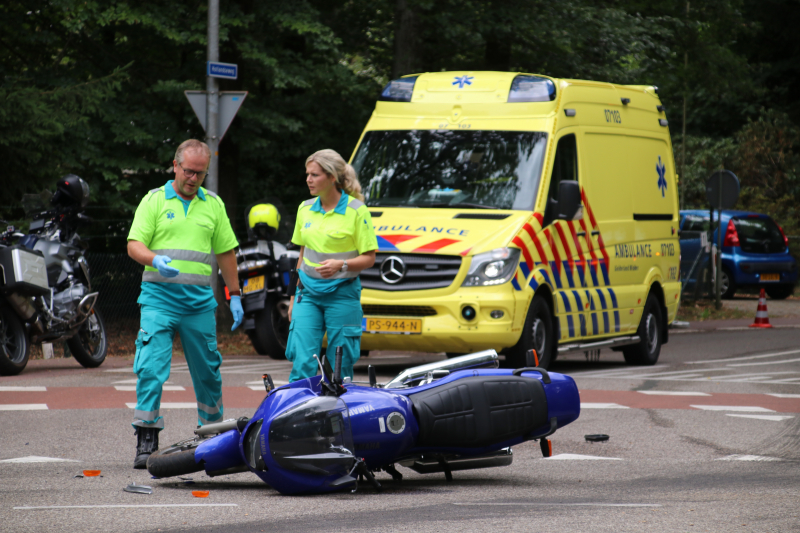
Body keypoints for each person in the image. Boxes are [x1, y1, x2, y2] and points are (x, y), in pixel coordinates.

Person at [126, 139, 244, 469]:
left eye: (200, 173)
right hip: (159, 300)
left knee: (208, 374)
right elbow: (134, 244)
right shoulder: (154, 200)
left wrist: (235, 295)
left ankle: (214, 438)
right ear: (175, 165)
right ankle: (147, 438)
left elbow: (225, 253)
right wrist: (154, 259)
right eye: (188, 171)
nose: (193, 178)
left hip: (198, 306)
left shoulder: (213, 205)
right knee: (150, 367)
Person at [286, 149, 377, 382]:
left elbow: (370, 257)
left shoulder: (357, 211)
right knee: (302, 361)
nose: (308, 179)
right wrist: (293, 297)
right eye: (307, 174)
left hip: (342, 294)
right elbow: (302, 255)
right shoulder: (304, 208)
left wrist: (342, 264)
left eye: (314, 175)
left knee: (340, 366)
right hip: (307, 294)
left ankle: (339, 415)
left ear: (332, 177)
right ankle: (298, 416)